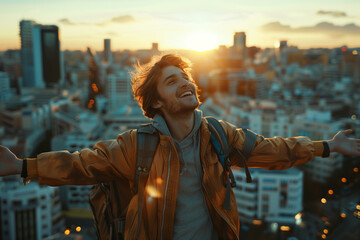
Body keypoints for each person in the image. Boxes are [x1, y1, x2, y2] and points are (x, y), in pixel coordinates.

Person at [0, 54, 359, 240]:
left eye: (186, 77)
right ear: (155, 103)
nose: (185, 83)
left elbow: (274, 148)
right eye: (172, 82)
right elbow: (80, 164)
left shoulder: (218, 135)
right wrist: (22, 167)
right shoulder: (135, 146)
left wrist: (327, 146)